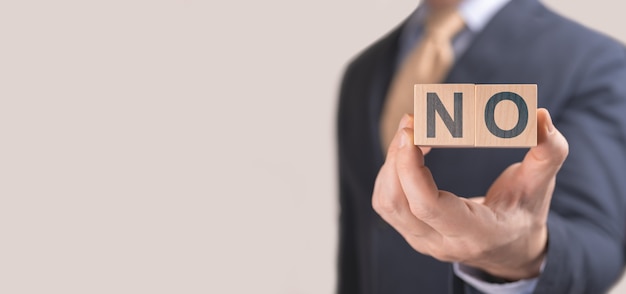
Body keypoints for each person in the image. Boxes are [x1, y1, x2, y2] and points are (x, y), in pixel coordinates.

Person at [336, 0, 626, 293]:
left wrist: (522, 253)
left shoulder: (594, 62)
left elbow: (599, 242)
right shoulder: (363, 72)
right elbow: (356, 246)